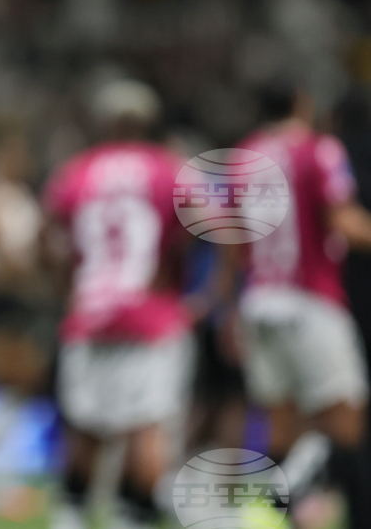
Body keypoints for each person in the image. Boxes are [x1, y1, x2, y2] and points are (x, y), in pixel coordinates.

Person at [40, 79, 193, 529]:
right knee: (148, 426)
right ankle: (136, 517)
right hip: (152, 312)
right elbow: (205, 229)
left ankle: (71, 514)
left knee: (86, 427)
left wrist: (66, 286)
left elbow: (45, 237)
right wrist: (196, 289)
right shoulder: (169, 169)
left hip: (90, 312)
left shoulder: (76, 172)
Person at [228, 82, 371, 527]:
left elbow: (234, 243)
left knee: (282, 424)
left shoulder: (242, 156)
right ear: (301, 104)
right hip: (310, 298)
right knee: (346, 419)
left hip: (259, 301)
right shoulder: (319, 149)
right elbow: (342, 220)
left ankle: (273, 516)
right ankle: (281, 503)